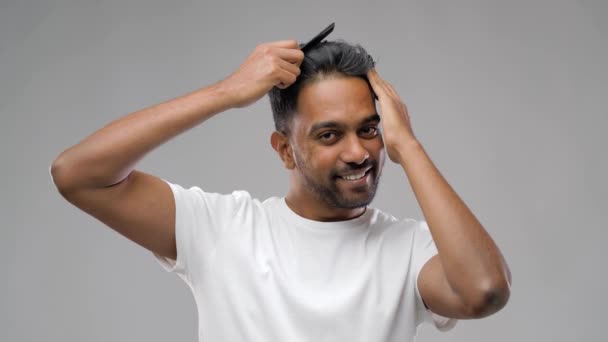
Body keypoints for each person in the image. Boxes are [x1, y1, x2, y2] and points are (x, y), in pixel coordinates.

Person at [51, 38, 511, 342]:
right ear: (285, 150)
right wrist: (225, 92)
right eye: (329, 135)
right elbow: (77, 174)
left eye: (369, 130)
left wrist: (407, 145)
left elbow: (485, 290)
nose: (358, 152)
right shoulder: (220, 229)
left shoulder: (410, 248)